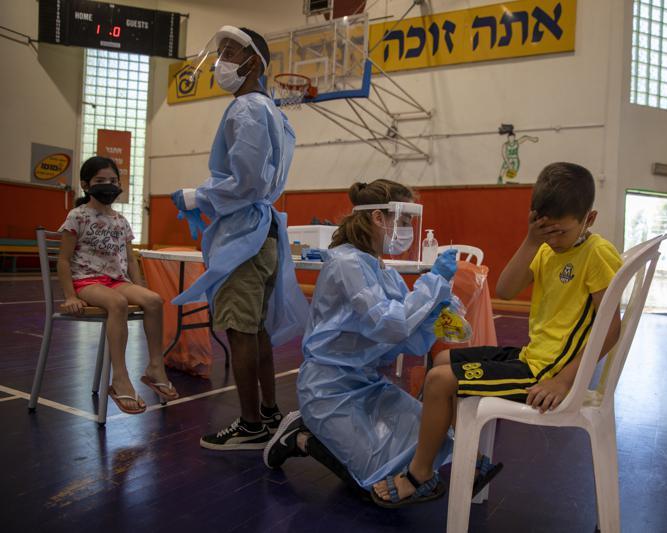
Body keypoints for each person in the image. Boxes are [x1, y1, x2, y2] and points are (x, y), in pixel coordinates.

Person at [371, 162, 624, 506]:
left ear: (589, 220)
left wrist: (565, 380)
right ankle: (471, 461)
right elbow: (505, 287)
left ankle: (421, 475)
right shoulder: (546, 249)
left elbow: (611, 327)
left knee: (438, 382)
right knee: (441, 358)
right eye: (546, 231)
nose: (555, 240)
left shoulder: (597, 253)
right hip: (530, 358)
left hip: (546, 374)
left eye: (561, 232)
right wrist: (533, 241)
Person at [263, 180, 457, 500]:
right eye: (404, 220)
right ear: (379, 218)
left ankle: (322, 436)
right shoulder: (346, 263)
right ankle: (300, 437)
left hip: (366, 383)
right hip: (327, 389)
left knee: (433, 439)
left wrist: (433, 315)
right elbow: (388, 325)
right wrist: (433, 283)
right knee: (376, 484)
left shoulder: (384, 270)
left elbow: (410, 342)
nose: (408, 229)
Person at [170, 26, 308, 450]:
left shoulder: (245, 110)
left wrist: (199, 196)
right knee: (257, 328)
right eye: (221, 52)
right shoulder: (273, 113)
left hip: (244, 235)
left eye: (231, 52)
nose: (220, 61)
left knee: (238, 329)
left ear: (254, 64)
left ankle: (250, 425)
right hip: (261, 232)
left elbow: (246, 182)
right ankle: (267, 413)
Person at [58, 157, 178, 414]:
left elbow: (130, 260)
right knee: (118, 303)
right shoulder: (77, 216)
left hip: (116, 281)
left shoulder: (121, 220)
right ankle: (120, 377)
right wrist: (70, 295)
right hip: (86, 281)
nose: (108, 186)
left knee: (155, 300)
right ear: (85, 184)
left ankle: (155, 366)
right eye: (101, 181)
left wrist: (140, 286)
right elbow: (64, 260)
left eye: (113, 181)